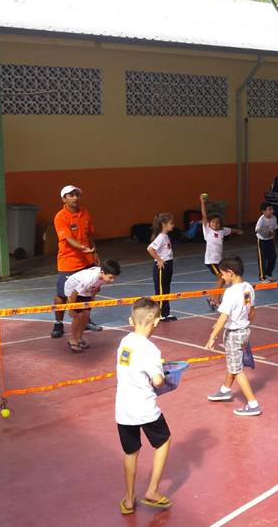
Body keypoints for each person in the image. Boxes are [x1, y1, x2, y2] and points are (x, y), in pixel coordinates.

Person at [115, 297, 172, 515]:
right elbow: (157, 381)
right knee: (164, 440)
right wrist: (163, 375)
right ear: (156, 322)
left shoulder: (125, 342)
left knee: (131, 452)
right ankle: (153, 491)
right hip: (145, 408)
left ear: (131, 320)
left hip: (123, 409)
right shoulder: (151, 349)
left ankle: (129, 500)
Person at [205, 256, 261, 416]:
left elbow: (223, 316)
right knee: (233, 362)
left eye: (223, 274)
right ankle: (225, 390)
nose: (222, 277)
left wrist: (212, 337)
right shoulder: (248, 287)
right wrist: (243, 322)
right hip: (244, 331)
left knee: (237, 369)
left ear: (230, 273)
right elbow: (251, 311)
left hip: (234, 334)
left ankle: (252, 404)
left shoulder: (230, 292)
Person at [52, 185, 102, 339]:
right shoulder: (60, 217)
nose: (75, 197)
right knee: (62, 295)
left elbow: (90, 235)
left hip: (87, 261)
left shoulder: (85, 212)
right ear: (63, 199)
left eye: (76, 195)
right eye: (71, 195)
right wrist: (82, 248)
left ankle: (85, 319)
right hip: (69, 262)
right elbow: (68, 238)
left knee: (89, 291)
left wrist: (95, 252)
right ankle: (58, 324)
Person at [63, 259, 120, 352]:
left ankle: (79, 337)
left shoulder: (104, 277)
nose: (112, 280)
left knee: (86, 315)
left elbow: (97, 287)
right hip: (73, 289)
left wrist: (92, 298)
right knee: (79, 315)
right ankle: (72, 339)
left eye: (114, 278)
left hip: (87, 290)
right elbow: (74, 293)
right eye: (110, 277)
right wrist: (71, 309)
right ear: (102, 272)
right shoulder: (90, 278)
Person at [200, 194, 244, 310]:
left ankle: (212, 300)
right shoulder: (207, 231)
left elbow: (231, 230)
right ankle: (216, 301)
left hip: (218, 261)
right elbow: (204, 215)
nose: (215, 224)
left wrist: (238, 231)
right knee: (221, 279)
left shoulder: (222, 231)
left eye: (217, 223)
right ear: (209, 224)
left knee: (222, 280)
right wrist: (202, 203)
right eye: (213, 222)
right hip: (211, 261)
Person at [147, 213, 177, 322]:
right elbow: (150, 249)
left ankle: (165, 313)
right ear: (164, 224)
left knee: (166, 289)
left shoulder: (166, 236)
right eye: (171, 223)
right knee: (160, 291)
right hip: (161, 267)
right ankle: (158, 314)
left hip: (168, 264)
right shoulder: (160, 237)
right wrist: (159, 259)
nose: (173, 225)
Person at [255, 201, 278, 283]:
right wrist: (265, 233)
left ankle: (268, 273)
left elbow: (274, 229)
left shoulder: (274, 218)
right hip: (261, 241)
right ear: (264, 211)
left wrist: (272, 239)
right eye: (269, 209)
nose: (271, 211)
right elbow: (258, 231)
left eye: (272, 209)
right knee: (262, 259)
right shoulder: (261, 221)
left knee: (273, 257)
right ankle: (262, 277)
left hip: (270, 240)